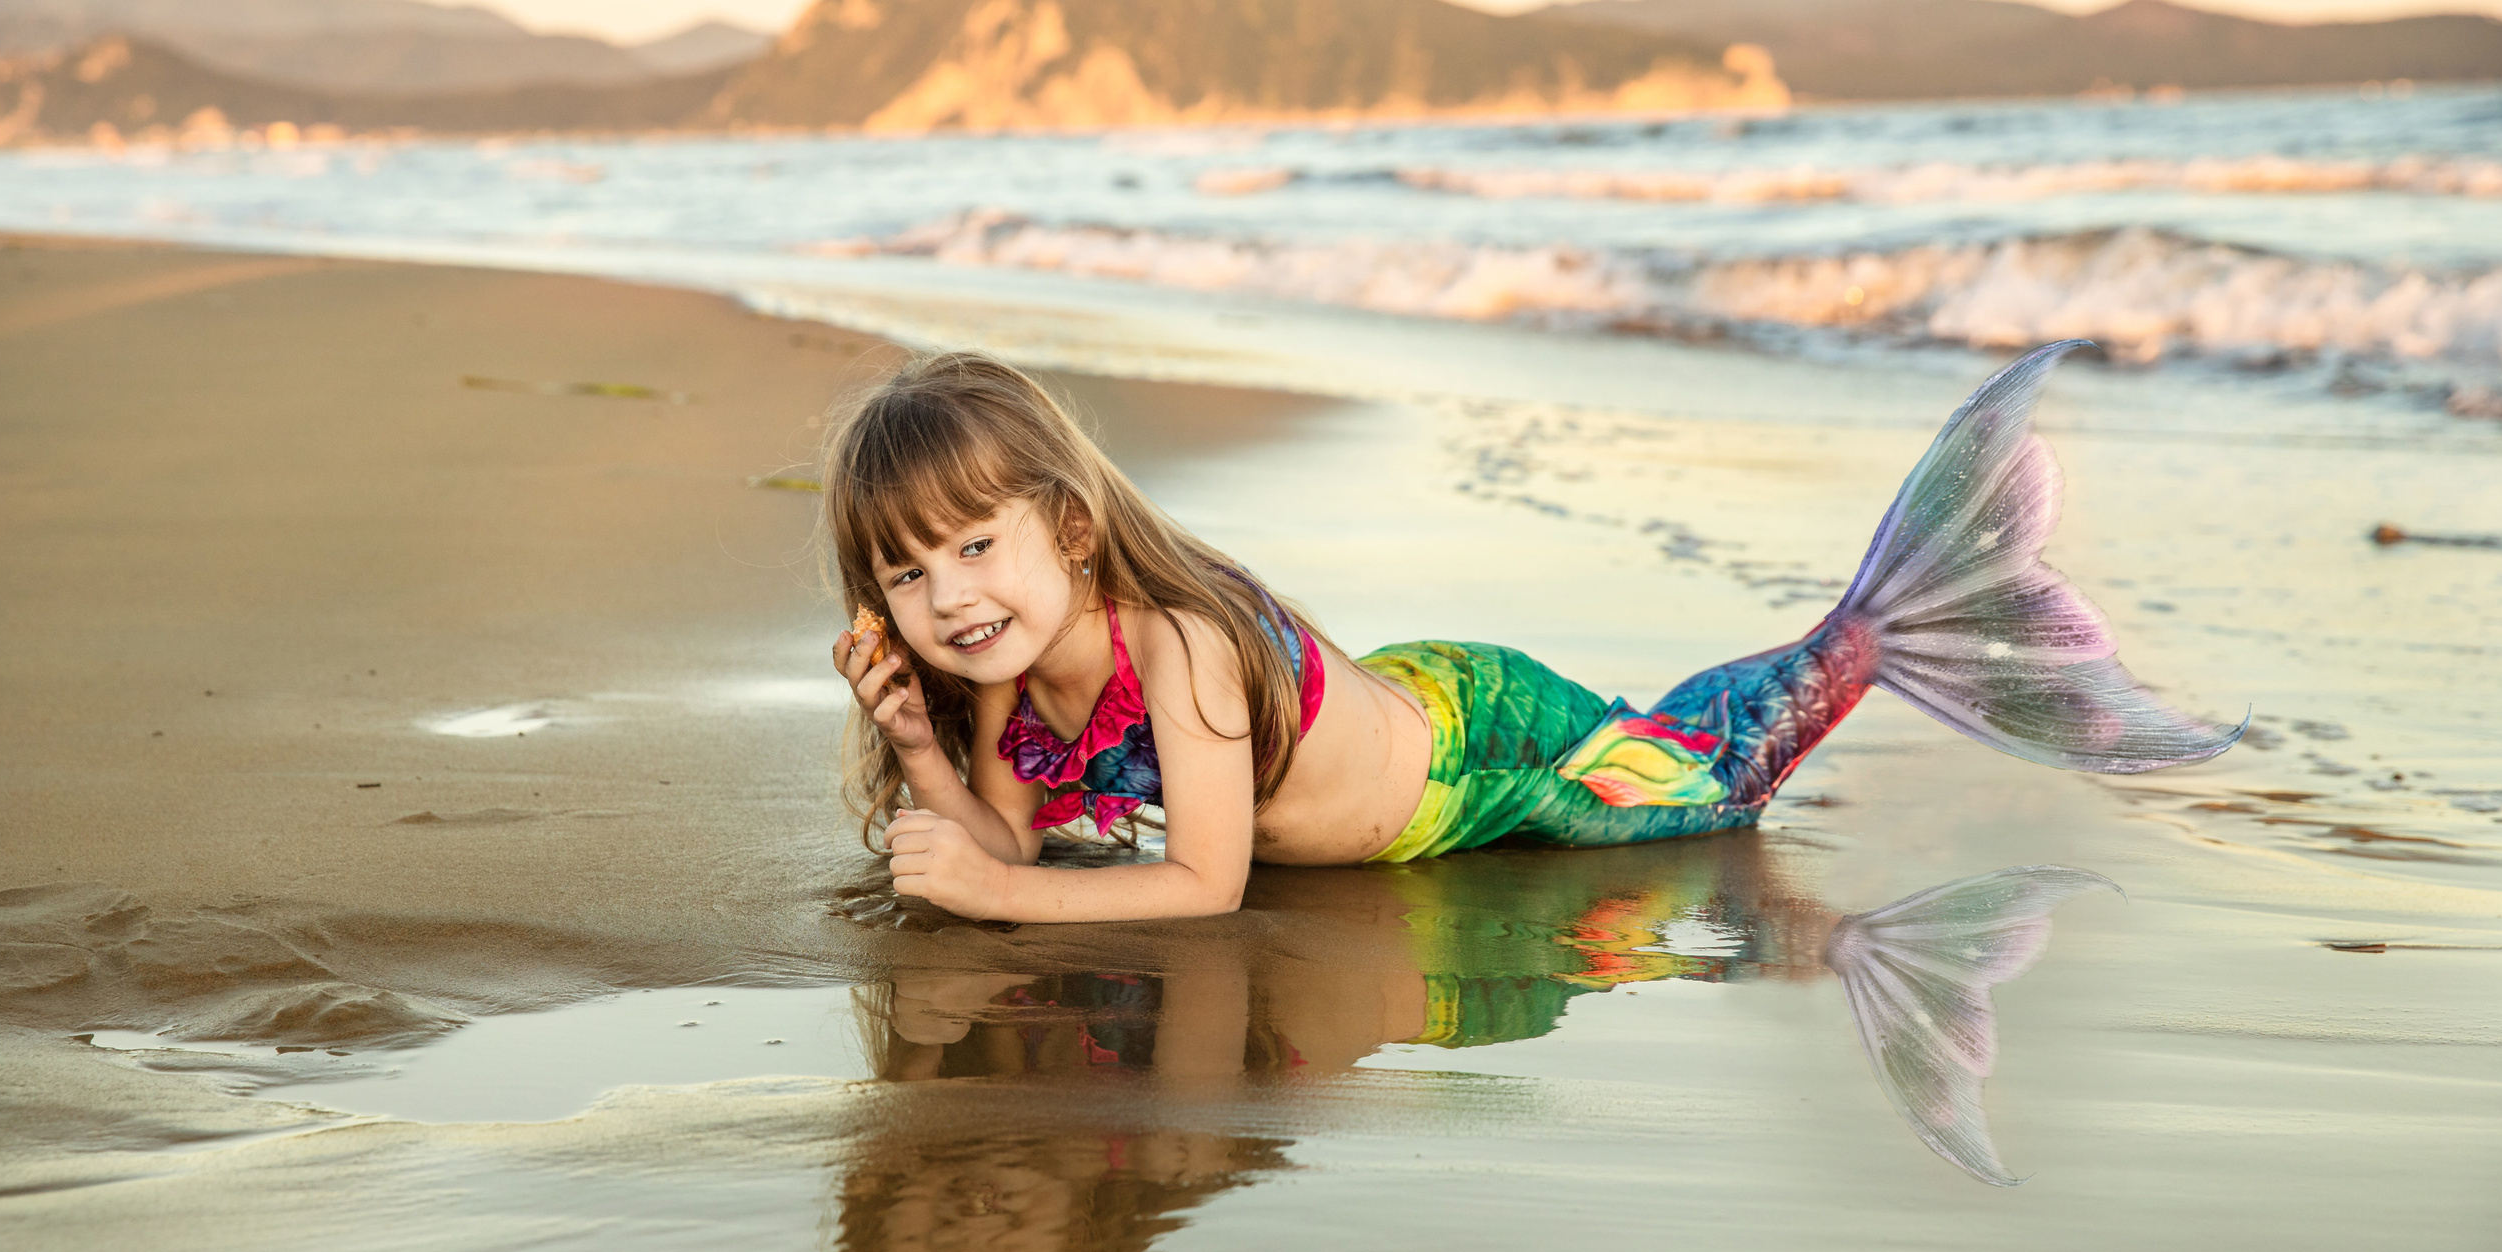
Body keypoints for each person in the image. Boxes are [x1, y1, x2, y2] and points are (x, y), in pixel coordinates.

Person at [826, 341, 2235, 924]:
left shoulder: (1179, 646)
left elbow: (1200, 884)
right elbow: (992, 848)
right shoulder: (1009, 690)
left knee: (1712, 777)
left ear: (1069, 530)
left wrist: (996, 890)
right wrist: (918, 749)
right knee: (1673, 744)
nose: (948, 597)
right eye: (904, 577)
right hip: (1406, 716)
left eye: (974, 544)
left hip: (1477, 747)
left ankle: (1892, 625)